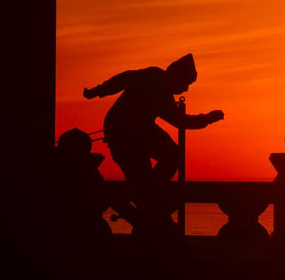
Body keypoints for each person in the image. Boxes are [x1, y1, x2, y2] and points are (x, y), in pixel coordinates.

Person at [83, 53, 223, 221]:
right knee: (167, 159)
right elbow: (181, 121)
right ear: (177, 75)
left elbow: (124, 78)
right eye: (186, 83)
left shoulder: (159, 84)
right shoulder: (155, 78)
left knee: (162, 163)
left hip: (136, 130)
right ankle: (148, 193)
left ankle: (148, 193)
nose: (185, 89)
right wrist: (207, 118)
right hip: (125, 133)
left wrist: (98, 91)